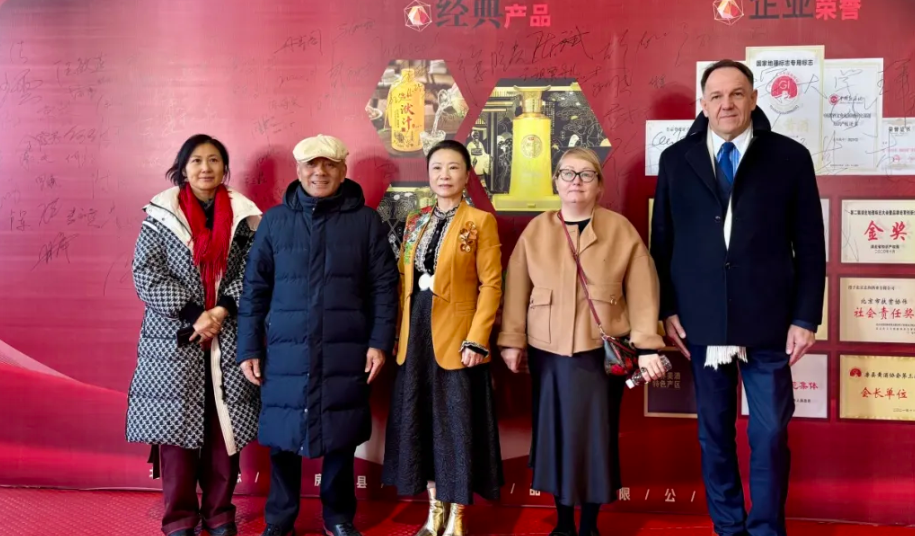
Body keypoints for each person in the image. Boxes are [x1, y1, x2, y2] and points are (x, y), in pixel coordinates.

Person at [650, 60, 826, 536]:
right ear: (703, 104)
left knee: (769, 434)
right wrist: (667, 308)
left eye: (736, 94)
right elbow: (662, 243)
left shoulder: (788, 157)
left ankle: (766, 529)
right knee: (714, 434)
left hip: (769, 321)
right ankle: (728, 527)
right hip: (702, 321)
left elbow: (810, 245)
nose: (726, 104)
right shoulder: (677, 159)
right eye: (716, 96)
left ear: (752, 98)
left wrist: (805, 317)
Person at [498, 147, 667, 536]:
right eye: (568, 173)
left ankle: (589, 524)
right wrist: (512, 340)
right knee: (555, 438)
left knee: (595, 440)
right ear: (555, 181)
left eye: (586, 174)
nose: (576, 181)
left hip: (600, 356)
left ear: (600, 185)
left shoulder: (620, 229)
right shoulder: (537, 230)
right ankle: (562, 524)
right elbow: (517, 288)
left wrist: (646, 346)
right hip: (548, 354)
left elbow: (643, 290)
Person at [237, 134, 399, 536]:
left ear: (343, 171)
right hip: (285, 351)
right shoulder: (275, 221)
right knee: (283, 437)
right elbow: (254, 290)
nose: (319, 172)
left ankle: (339, 517)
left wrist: (379, 342)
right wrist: (249, 347)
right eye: (311, 164)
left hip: (346, 348)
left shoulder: (366, 222)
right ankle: (280, 519)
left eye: (329, 165)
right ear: (298, 170)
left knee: (341, 436)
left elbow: (384, 288)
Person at [126, 134, 263, 536]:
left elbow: (253, 271)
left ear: (224, 168)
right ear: (183, 168)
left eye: (214, 160)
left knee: (224, 430)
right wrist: (193, 314)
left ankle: (219, 514)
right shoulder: (160, 215)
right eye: (197, 160)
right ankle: (180, 518)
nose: (206, 168)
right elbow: (146, 272)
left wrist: (219, 311)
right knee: (175, 431)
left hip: (227, 331)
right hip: (174, 336)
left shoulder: (243, 217)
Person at [382, 140, 504, 536]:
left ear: (467, 175)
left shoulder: (480, 221)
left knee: (456, 425)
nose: (444, 175)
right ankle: (434, 511)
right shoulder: (415, 220)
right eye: (437, 168)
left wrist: (477, 338)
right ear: (428, 174)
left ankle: (458, 516)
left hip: (459, 338)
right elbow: (403, 280)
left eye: (453, 168)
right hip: (415, 334)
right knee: (423, 424)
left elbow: (492, 285)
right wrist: (397, 334)